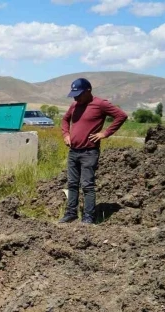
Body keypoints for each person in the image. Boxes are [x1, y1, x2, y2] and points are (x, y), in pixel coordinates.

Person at [60, 78, 127, 225]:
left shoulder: (100, 104)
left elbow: (121, 116)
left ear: (88, 91)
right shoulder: (74, 105)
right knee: (72, 183)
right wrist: (66, 135)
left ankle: (88, 217)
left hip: (89, 152)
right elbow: (64, 120)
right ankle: (71, 213)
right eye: (74, 94)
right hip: (73, 151)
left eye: (78, 94)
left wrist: (105, 133)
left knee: (87, 185)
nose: (75, 97)